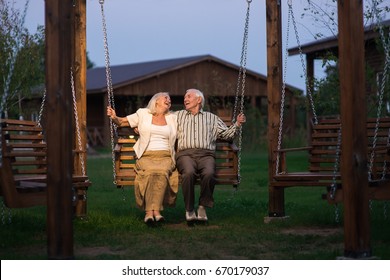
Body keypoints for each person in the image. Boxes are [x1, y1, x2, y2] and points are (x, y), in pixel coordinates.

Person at [175, 88, 246, 224]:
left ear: (199, 100)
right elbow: (161, 121)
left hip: (206, 154)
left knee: (208, 173)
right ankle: (189, 209)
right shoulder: (178, 116)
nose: (185, 99)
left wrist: (237, 124)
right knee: (189, 173)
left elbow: (227, 135)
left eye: (188, 96)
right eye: (185, 97)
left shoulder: (211, 118)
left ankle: (202, 207)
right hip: (185, 154)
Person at [107, 92, 178, 224]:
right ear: (156, 101)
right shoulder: (143, 114)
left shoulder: (173, 118)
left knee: (161, 172)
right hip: (146, 155)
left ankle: (151, 213)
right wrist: (114, 116)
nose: (169, 100)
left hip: (166, 156)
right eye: (165, 98)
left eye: (170, 98)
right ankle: (154, 212)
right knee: (151, 172)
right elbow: (121, 121)